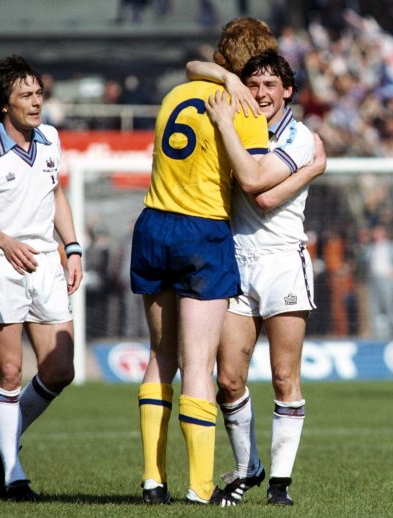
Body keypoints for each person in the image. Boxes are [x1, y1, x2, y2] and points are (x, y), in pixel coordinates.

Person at [130, 17, 279, 507]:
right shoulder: (244, 108)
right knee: (199, 365)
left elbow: (195, 66)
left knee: (160, 358)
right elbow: (255, 180)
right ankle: (199, 486)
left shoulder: (179, 91)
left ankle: (153, 481)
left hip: (153, 223)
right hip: (201, 230)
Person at [193, 49, 327, 506]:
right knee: (228, 379)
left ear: (287, 90)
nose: (261, 92)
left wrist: (310, 167)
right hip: (237, 257)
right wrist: (226, 80)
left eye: (271, 84)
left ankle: (280, 486)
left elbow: (261, 193)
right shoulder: (240, 120)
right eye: (253, 83)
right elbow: (193, 70)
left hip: (282, 261)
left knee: (284, 376)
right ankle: (248, 465)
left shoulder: (300, 135)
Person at [0, 54, 83, 501]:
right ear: (4, 104)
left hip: (47, 261)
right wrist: (7, 242)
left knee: (60, 368)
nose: (36, 102)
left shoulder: (49, 138)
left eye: (38, 93)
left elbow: (57, 194)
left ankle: (0, 442)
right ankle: (12, 472)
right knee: (9, 371)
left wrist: (71, 247)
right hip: (2, 262)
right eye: (25, 95)